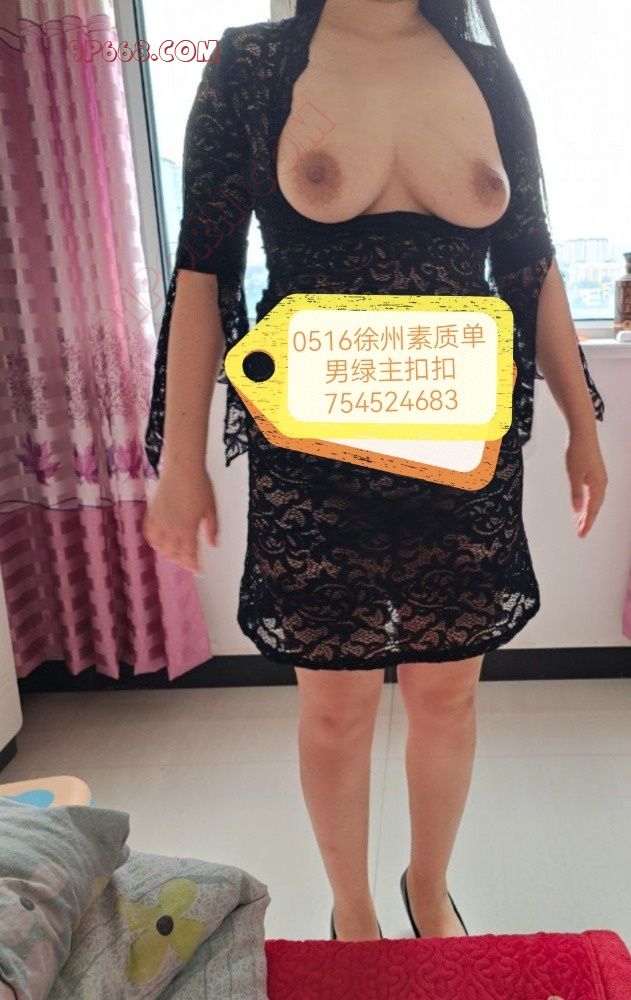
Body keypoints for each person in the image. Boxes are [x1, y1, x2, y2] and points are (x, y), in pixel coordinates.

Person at [143, 0, 607, 942]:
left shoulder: (485, 70)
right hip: (315, 456)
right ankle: (351, 910)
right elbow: (203, 267)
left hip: (460, 446)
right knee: (337, 705)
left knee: (447, 693)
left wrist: (580, 424)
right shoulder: (253, 65)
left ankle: (425, 890)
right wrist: (178, 462)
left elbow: (530, 261)